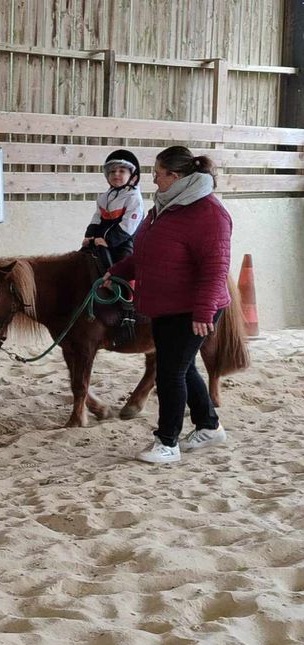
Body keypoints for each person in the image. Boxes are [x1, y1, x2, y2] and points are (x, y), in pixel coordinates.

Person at [103, 145, 231, 464]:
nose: (153, 179)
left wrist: (203, 311)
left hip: (192, 307)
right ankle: (209, 427)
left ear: (175, 177)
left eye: (158, 174)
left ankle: (167, 442)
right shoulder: (165, 205)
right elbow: (146, 252)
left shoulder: (209, 213)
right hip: (166, 305)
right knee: (181, 367)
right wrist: (117, 271)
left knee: (170, 372)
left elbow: (216, 266)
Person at [82, 149, 144, 267]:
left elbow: (128, 225)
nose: (116, 174)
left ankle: (127, 285)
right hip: (102, 238)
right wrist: (89, 234)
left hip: (123, 240)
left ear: (133, 177)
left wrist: (109, 241)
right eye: (112, 171)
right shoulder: (104, 198)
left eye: (122, 171)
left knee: (124, 264)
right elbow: (97, 217)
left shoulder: (134, 199)